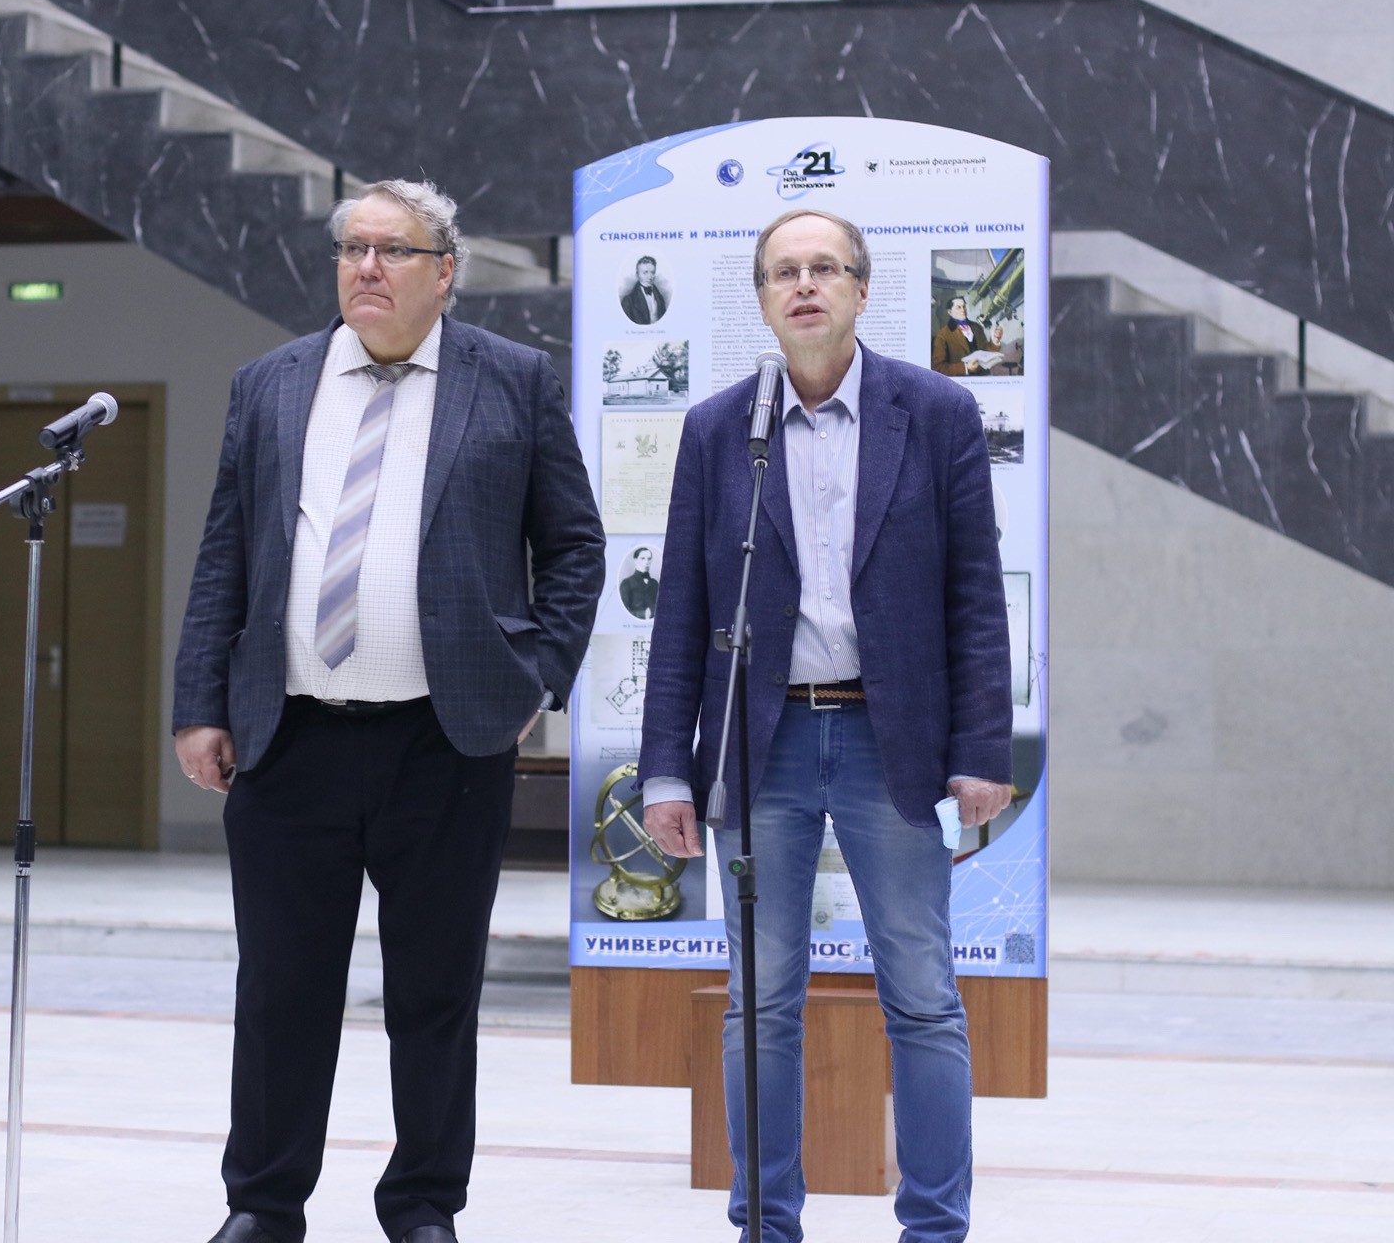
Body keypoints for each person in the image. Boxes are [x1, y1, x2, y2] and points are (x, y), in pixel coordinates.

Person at [174, 179, 603, 1243]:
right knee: (281, 991)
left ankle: (422, 1205)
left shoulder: (511, 380)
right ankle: (262, 1205)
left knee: (435, 992)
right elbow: (225, 553)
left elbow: (574, 547)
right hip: (291, 736)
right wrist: (199, 704)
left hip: (443, 740)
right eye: (352, 248)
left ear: (445, 271)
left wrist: (534, 677)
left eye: (393, 250)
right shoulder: (271, 383)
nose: (367, 267)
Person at [639, 208, 1011, 1243]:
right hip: (762, 747)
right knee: (760, 1000)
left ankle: (934, 1227)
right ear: (761, 299)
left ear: (861, 289)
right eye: (784, 272)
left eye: (824, 268)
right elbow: (683, 613)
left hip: (891, 742)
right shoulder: (720, 429)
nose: (804, 285)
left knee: (922, 994)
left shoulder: (935, 412)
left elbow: (976, 594)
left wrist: (982, 749)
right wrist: (667, 770)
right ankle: (766, 1224)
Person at [931, 294, 1003, 376]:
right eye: (958, 307)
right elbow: (938, 368)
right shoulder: (942, 335)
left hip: (982, 377)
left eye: (964, 306)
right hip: (961, 380)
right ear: (950, 312)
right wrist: (966, 367)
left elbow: (985, 351)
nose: (963, 310)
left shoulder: (977, 327)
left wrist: (995, 340)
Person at [621, 254, 671, 325]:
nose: (650, 277)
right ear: (637, 275)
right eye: (645, 272)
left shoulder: (660, 298)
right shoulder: (628, 301)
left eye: (652, 272)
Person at [618, 545, 660, 620]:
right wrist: (643, 615)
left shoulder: (655, 583)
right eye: (642, 558)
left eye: (649, 559)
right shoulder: (627, 583)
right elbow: (623, 611)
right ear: (635, 560)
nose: (646, 562)